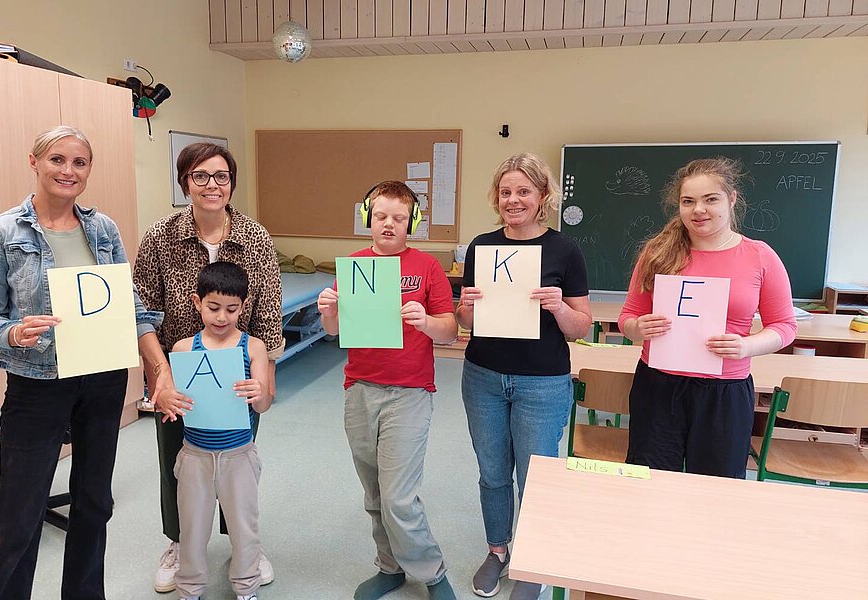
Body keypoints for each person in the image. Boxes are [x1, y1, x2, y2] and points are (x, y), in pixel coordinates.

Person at [0, 125, 162, 600]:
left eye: (79, 163)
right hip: (37, 382)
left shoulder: (103, 228)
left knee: (94, 503)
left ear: (89, 170)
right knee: (18, 514)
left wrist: (158, 368)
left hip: (102, 379)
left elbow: (127, 304)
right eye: (57, 160)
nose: (68, 171)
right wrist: (14, 332)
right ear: (34, 162)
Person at [133, 143, 283, 593]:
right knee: (177, 463)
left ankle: (245, 550)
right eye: (200, 176)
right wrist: (160, 378)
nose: (211, 184)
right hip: (176, 374)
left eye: (221, 176)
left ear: (232, 183)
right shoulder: (160, 237)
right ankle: (180, 544)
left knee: (234, 464)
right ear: (185, 183)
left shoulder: (255, 239)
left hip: (237, 375)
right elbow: (142, 311)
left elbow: (270, 318)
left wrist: (265, 385)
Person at [455, 154, 591, 600]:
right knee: (492, 472)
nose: (513, 200)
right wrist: (467, 308)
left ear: (542, 197)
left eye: (524, 191)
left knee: (535, 476)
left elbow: (581, 326)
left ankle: (533, 561)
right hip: (484, 376)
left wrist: (559, 306)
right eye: (506, 192)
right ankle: (498, 551)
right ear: (497, 198)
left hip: (543, 382)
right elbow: (466, 322)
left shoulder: (565, 251)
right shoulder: (482, 246)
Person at [316, 181, 459, 600]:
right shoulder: (355, 265)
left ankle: (432, 573)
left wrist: (426, 321)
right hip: (359, 389)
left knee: (399, 496)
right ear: (368, 219)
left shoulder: (428, 267)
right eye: (381, 216)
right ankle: (390, 566)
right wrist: (330, 311)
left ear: (412, 222)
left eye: (399, 217)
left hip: (410, 392)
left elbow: (450, 331)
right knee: (375, 491)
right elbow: (334, 331)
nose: (389, 225)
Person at [618, 157, 796, 478]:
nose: (698, 210)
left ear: (732, 199)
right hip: (658, 386)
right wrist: (638, 328)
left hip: (724, 392)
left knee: (717, 490)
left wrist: (747, 346)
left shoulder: (760, 255)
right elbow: (629, 317)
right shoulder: (657, 252)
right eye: (688, 201)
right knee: (650, 484)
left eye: (710, 199)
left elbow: (784, 326)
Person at [169, 261, 271, 600]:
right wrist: (170, 401)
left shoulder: (253, 347)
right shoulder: (184, 350)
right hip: (194, 455)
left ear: (244, 306)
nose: (222, 317)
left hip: (239, 454)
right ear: (197, 303)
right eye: (213, 308)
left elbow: (265, 403)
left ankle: (246, 587)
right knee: (193, 529)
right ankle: (190, 589)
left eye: (232, 309)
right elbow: (169, 400)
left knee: (244, 527)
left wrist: (259, 393)